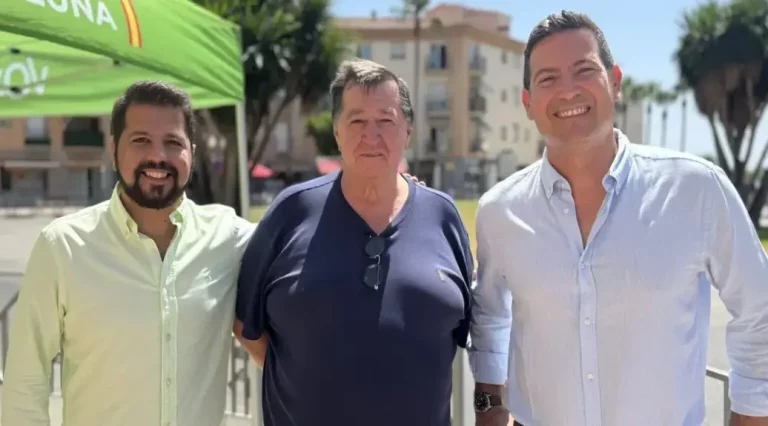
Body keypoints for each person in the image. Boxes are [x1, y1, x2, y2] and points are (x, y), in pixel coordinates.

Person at [469, 10, 768, 426]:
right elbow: (490, 317)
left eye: (584, 70)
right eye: (548, 78)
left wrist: (751, 417)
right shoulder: (500, 211)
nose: (568, 90)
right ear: (528, 103)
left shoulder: (696, 188)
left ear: (616, 82)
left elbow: (760, 311)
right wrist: (490, 406)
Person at [234, 58, 474, 426]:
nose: (371, 135)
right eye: (357, 120)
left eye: (386, 120)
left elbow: (470, 327)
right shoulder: (290, 212)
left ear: (408, 131)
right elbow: (247, 326)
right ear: (336, 131)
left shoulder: (443, 217)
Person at [1, 81, 255, 426]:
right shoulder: (62, 247)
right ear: (113, 149)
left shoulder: (231, 238)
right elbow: (25, 384)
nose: (158, 156)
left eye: (173, 142)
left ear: (191, 152)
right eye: (140, 140)